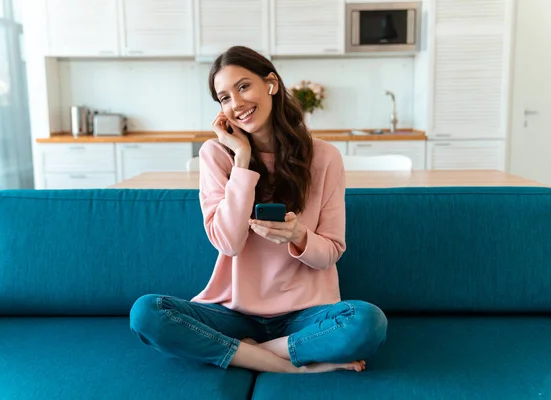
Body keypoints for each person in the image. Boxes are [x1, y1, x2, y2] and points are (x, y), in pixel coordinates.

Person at [130, 46, 387, 374]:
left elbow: (331, 252)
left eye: (243, 86)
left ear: (271, 84)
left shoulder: (324, 157)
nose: (236, 104)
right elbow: (228, 243)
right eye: (224, 97)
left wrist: (299, 235)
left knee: (367, 322)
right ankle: (294, 365)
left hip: (304, 314)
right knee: (146, 313)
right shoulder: (216, 155)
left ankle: (252, 354)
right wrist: (241, 158)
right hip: (234, 314)